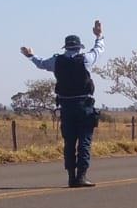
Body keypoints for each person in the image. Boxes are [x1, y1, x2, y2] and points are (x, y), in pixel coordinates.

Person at [21, 20, 105, 187]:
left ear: (65, 48)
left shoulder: (56, 61)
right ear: (79, 47)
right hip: (84, 106)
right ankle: (81, 177)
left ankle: (71, 177)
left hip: (66, 107)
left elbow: (41, 64)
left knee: (69, 143)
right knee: (84, 142)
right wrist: (99, 36)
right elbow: (98, 51)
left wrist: (30, 55)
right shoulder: (85, 59)